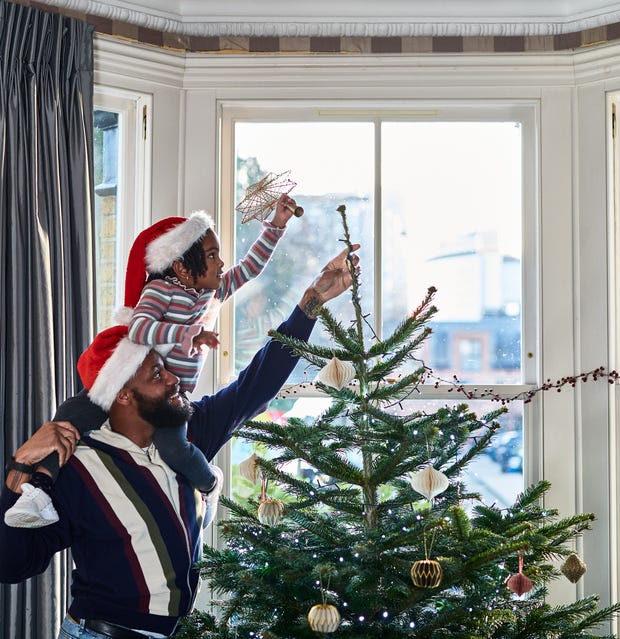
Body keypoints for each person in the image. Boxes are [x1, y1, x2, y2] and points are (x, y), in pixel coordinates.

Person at [0, 243, 360, 639]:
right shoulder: (77, 467)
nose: (173, 379)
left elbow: (257, 383)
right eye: (156, 375)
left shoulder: (188, 434)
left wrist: (311, 302)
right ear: (121, 393)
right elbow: (12, 563)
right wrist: (18, 470)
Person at [4, 197, 297, 530]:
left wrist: (277, 225)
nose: (221, 263)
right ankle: (37, 491)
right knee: (70, 418)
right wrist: (189, 334)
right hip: (130, 386)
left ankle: (209, 484)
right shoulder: (161, 290)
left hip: (170, 401)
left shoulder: (211, 293)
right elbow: (139, 327)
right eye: (212, 256)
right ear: (182, 268)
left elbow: (249, 268)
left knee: (175, 450)